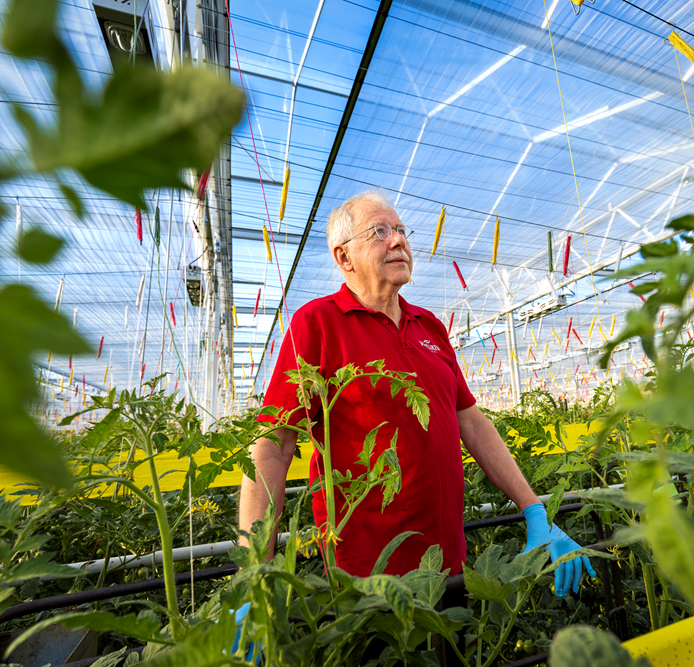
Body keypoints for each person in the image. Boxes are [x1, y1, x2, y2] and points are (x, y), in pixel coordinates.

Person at [238, 190, 594, 596]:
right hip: (367, 577)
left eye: (402, 231)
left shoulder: (429, 326)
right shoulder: (317, 324)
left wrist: (534, 510)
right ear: (344, 257)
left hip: (449, 561)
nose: (399, 240)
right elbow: (273, 445)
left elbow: (471, 423)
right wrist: (254, 572)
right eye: (380, 231)